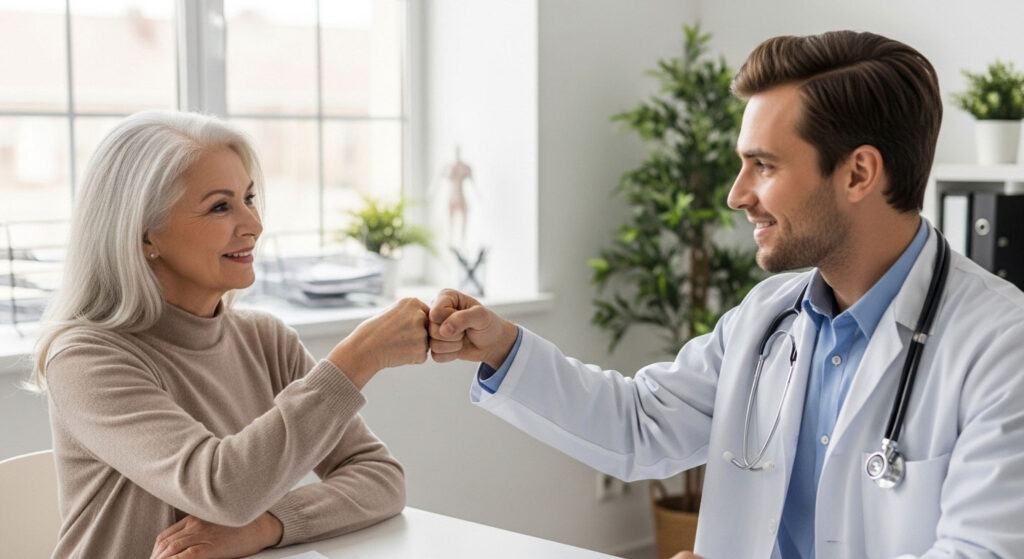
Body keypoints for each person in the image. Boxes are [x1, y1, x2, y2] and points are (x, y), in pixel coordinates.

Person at [428, 31, 1024, 558]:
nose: (737, 195)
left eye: (763, 165)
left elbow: (982, 551)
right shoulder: (769, 317)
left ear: (858, 174)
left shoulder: (1002, 345)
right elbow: (640, 424)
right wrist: (502, 347)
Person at [31, 111, 430, 558]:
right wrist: (357, 359)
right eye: (220, 207)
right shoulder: (86, 359)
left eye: (249, 198)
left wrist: (268, 525)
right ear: (145, 236)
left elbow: (379, 477)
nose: (253, 224)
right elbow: (221, 489)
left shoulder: (266, 340)